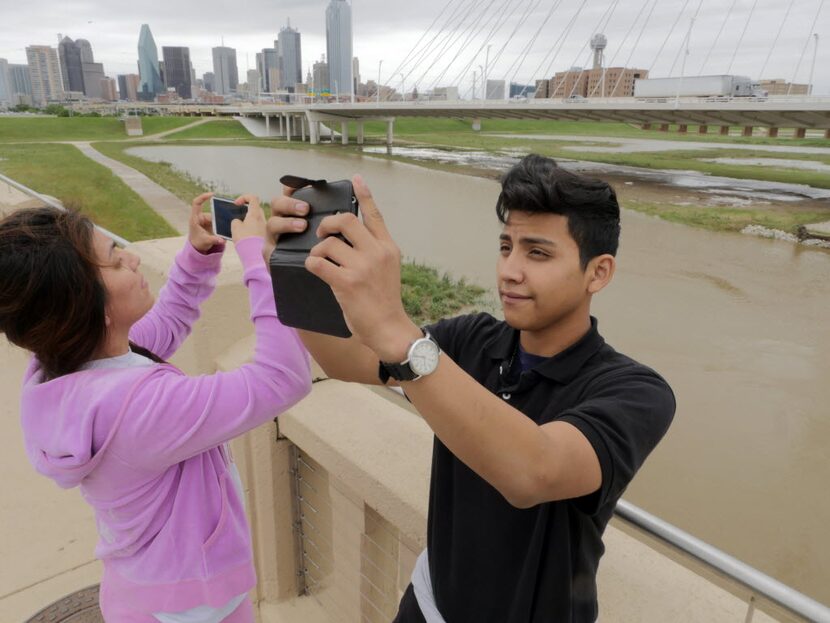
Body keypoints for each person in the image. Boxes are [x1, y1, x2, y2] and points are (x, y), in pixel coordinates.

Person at [266, 154, 675, 622]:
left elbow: (534, 472)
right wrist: (292, 271)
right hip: (428, 605)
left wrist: (395, 328)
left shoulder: (635, 391)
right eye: (506, 247)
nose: (510, 271)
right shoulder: (473, 338)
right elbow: (347, 360)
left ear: (598, 272)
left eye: (537, 253)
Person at [0, 194, 311, 622]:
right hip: (198, 607)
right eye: (113, 260)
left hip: (143, 590)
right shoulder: (140, 409)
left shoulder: (59, 373)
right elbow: (281, 378)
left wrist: (198, 256)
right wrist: (257, 261)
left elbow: (161, 326)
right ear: (86, 307)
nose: (130, 258)